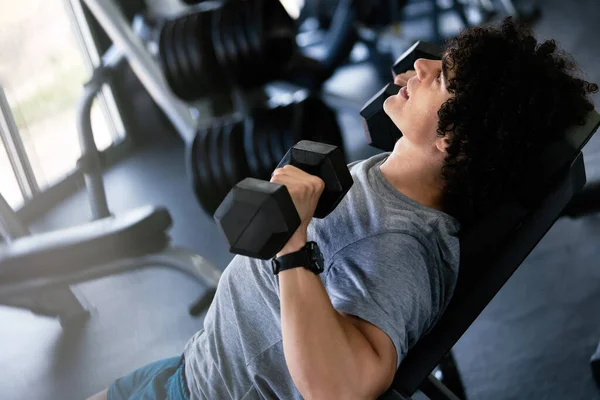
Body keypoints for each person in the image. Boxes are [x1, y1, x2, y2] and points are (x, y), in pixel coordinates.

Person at [89, 17, 597, 400]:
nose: (419, 65)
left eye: (441, 78)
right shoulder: (392, 181)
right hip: (191, 368)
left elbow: (343, 388)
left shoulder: (403, 248)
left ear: (456, 141)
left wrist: (291, 248)